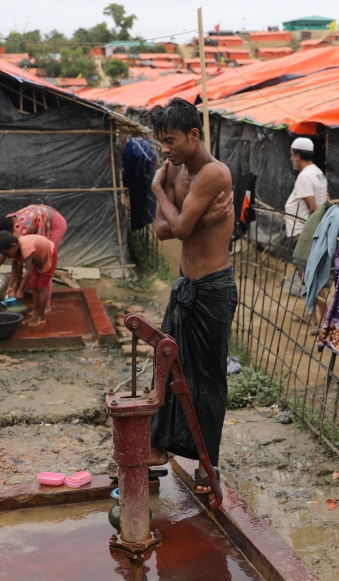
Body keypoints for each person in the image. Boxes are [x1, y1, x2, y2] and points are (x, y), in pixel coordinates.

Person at [146, 98, 238, 497]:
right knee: (167, 365)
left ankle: (207, 462)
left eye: (171, 140)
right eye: (162, 142)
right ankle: (159, 447)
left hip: (214, 288)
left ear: (194, 135)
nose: (165, 149)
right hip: (185, 284)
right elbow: (162, 231)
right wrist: (173, 211)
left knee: (209, 377)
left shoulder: (214, 174)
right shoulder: (175, 171)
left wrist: (157, 190)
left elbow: (179, 227)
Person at [0, 230, 55, 328]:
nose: (7, 257)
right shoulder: (14, 250)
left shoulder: (26, 247)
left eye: (6, 253)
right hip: (37, 259)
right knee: (34, 286)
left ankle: (41, 318)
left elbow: (28, 271)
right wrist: (10, 287)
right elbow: (14, 269)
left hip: (49, 255)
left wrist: (21, 289)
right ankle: (36, 315)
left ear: (14, 246)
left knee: (42, 287)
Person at [283, 137, 329, 241]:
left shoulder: (304, 176)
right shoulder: (318, 172)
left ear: (298, 156)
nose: (291, 159)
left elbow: (313, 208)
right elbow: (327, 199)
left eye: (292, 155)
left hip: (303, 234)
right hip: (314, 231)